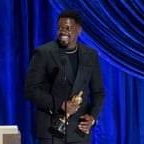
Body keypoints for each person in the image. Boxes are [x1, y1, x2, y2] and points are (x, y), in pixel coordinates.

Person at [25, 9, 105, 144]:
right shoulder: (44, 53)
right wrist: (60, 104)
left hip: (79, 132)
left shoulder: (90, 55)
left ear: (79, 30)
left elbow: (98, 92)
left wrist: (92, 118)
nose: (63, 32)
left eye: (68, 28)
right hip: (51, 129)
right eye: (60, 28)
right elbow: (30, 90)